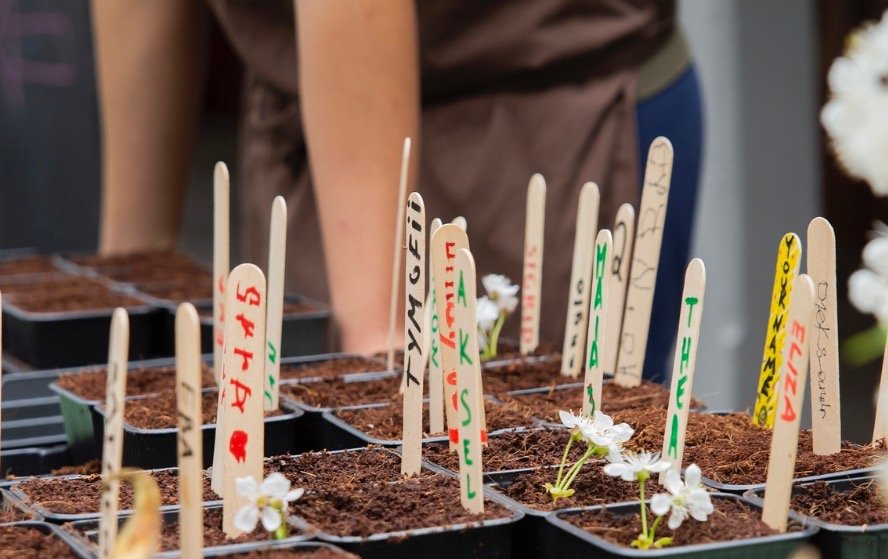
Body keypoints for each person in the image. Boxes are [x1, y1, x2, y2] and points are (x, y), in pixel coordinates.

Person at [92, 0, 702, 379]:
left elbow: (379, 355)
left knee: (554, 456)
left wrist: (382, 339)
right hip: (315, 115)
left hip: (538, 119)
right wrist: (133, 263)